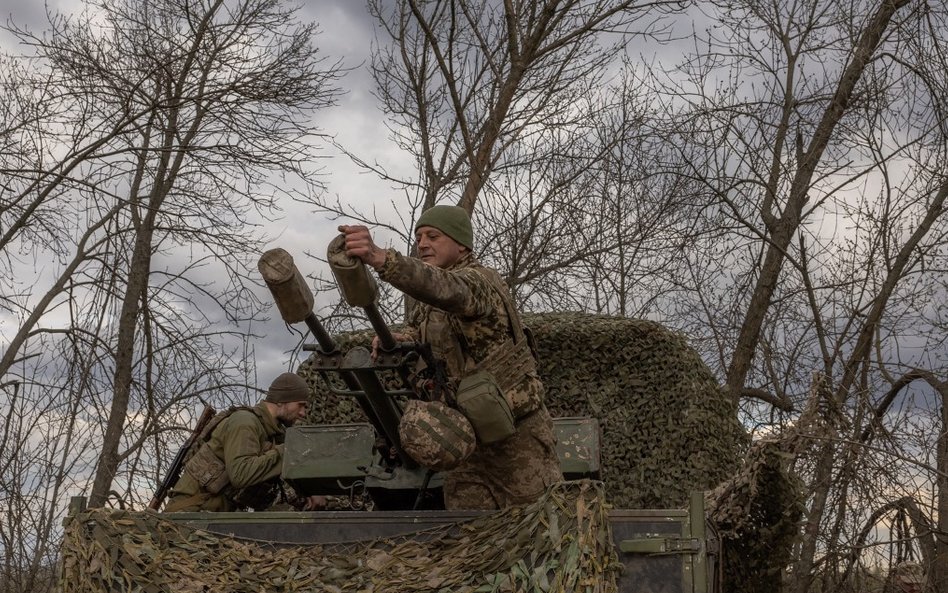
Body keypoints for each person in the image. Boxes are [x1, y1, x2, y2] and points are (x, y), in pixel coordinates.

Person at [339, 204, 563, 510]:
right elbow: (427, 333)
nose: (422, 244)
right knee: (469, 536)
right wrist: (403, 339)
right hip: (464, 437)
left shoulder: (479, 283)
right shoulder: (427, 304)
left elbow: (449, 291)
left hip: (515, 437)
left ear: (462, 244)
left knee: (538, 525)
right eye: (418, 237)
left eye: (433, 236)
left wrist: (381, 259)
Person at [164, 372, 326, 512]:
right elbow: (241, 475)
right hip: (190, 513)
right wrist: (289, 451)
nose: (303, 413)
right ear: (281, 400)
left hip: (215, 514)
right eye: (300, 405)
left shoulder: (273, 432)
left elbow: (281, 470)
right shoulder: (245, 422)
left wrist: (309, 491)